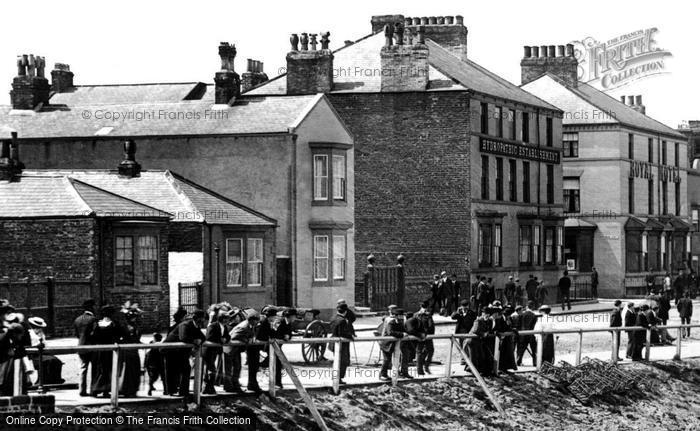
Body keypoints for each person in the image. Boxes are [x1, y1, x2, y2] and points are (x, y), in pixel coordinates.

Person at [164, 309, 206, 397]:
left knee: (186, 368)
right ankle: (171, 391)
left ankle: (183, 391)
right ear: (195, 318)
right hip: (170, 349)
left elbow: (203, 337)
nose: (202, 321)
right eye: (201, 319)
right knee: (172, 369)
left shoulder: (196, 326)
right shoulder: (185, 324)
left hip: (180, 350)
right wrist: (195, 340)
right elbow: (183, 337)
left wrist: (199, 340)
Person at [90, 305, 120, 397]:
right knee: (106, 369)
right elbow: (117, 336)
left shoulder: (97, 324)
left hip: (98, 350)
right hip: (108, 350)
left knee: (98, 369)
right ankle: (104, 389)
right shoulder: (114, 324)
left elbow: (92, 336)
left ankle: (95, 389)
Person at [227, 309, 259, 393]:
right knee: (234, 368)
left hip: (236, 349)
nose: (257, 323)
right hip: (231, 349)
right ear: (251, 320)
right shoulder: (243, 326)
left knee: (237, 368)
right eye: (256, 321)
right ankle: (232, 386)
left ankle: (235, 385)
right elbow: (233, 337)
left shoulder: (250, 326)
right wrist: (246, 340)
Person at [202, 308, 230, 394]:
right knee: (210, 369)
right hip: (208, 350)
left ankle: (209, 387)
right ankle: (207, 387)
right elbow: (209, 337)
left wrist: (225, 339)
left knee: (211, 369)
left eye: (227, 319)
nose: (226, 320)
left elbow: (228, 336)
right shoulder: (213, 325)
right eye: (224, 318)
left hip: (215, 351)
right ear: (220, 318)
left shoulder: (224, 327)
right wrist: (220, 340)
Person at [119, 302, 143, 398]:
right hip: (128, 351)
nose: (135, 319)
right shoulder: (127, 327)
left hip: (134, 351)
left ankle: (132, 389)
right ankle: (126, 389)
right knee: (128, 370)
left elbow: (136, 339)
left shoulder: (134, 327)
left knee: (134, 369)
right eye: (133, 317)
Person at [73, 298, 97, 397]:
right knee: (94, 368)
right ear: (91, 307)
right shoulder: (93, 319)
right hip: (92, 346)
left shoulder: (77, 319)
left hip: (81, 345)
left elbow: (77, 335)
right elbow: (95, 334)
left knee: (83, 368)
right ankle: (93, 390)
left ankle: (82, 390)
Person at [271, 308, 296, 388]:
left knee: (278, 363)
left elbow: (289, 333)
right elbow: (274, 333)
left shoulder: (288, 323)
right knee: (277, 363)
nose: (295, 319)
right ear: (290, 316)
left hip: (278, 346)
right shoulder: (279, 322)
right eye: (294, 317)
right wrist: (284, 336)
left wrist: (288, 335)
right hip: (271, 345)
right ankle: (276, 383)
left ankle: (277, 383)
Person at [329, 303, 355, 384]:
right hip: (342, 344)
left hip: (333, 342)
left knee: (337, 360)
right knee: (344, 361)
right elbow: (342, 333)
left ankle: (335, 377)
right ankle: (338, 378)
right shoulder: (342, 320)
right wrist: (351, 337)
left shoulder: (333, 318)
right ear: (345, 311)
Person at [378, 307, 406, 381]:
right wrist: (402, 334)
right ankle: (382, 374)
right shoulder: (391, 322)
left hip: (393, 344)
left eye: (402, 315)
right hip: (386, 343)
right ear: (396, 316)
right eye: (400, 315)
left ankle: (394, 374)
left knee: (395, 359)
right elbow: (391, 332)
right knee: (387, 359)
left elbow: (403, 330)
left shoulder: (400, 322)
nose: (402, 317)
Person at [467, 306, 495, 376]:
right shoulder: (478, 320)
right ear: (482, 313)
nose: (487, 315)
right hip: (472, 340)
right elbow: (475, 330)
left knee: (481, 356)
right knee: (474, 357)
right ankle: (473, 372)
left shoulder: (489, 321)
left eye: (488, 314)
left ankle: (473, 369)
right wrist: (483, 334)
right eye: (485, 314)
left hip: (479, 340)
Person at [451, 298, 477, 364]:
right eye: (463, 306)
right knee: (461, 345)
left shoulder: (471, 312)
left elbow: (474, 318)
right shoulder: (459, 312)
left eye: (466, 307)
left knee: (467, 345)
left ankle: (467, 359)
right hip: (461, 331)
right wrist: (457, 312)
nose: (465, 308)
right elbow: (452, 317)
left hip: (468, 331)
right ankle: (463, 359)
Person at [516, 301, 538, 366]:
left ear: (527, 306)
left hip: (523, 334)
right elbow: (534, 326)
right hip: (531, 334)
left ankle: (518, 361)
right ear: (533, 307)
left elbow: (518, 325)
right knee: (534, 349)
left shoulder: (522, 315)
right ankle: (535, 362)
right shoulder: (534, 315)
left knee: (521, 349)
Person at [416, 302, 435, 372]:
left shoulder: (417, 314)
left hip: (421, 335)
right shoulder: (426, 315)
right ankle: (424, 366)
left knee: (421, 352)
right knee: (429, 351)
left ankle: (422, 367)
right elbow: (431, 326)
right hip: (425, 335)